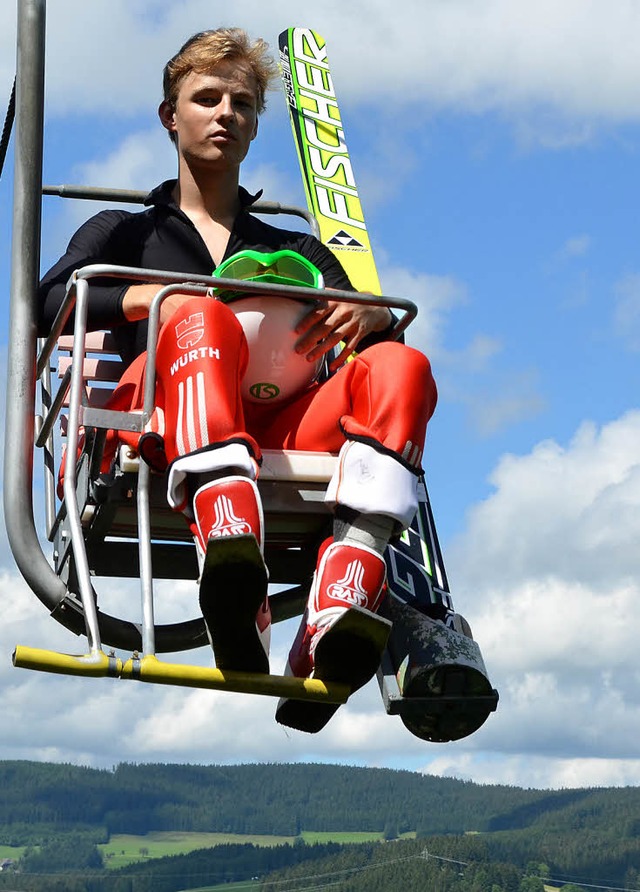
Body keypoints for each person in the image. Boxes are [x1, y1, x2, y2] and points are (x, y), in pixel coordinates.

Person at [38, 28, 438, 734]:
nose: (226, 113)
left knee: (405, 365)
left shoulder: (295, 250)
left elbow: (377, 363)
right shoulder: (124, 235)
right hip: (158, 412)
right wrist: (151, 299)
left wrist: (368, 320)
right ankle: (226, 528)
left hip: (284, 428)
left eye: (243, 104)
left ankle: (340, 597)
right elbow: (46, 305)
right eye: (208, 98)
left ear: (255, 126)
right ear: (171, 116)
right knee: (198, 316)